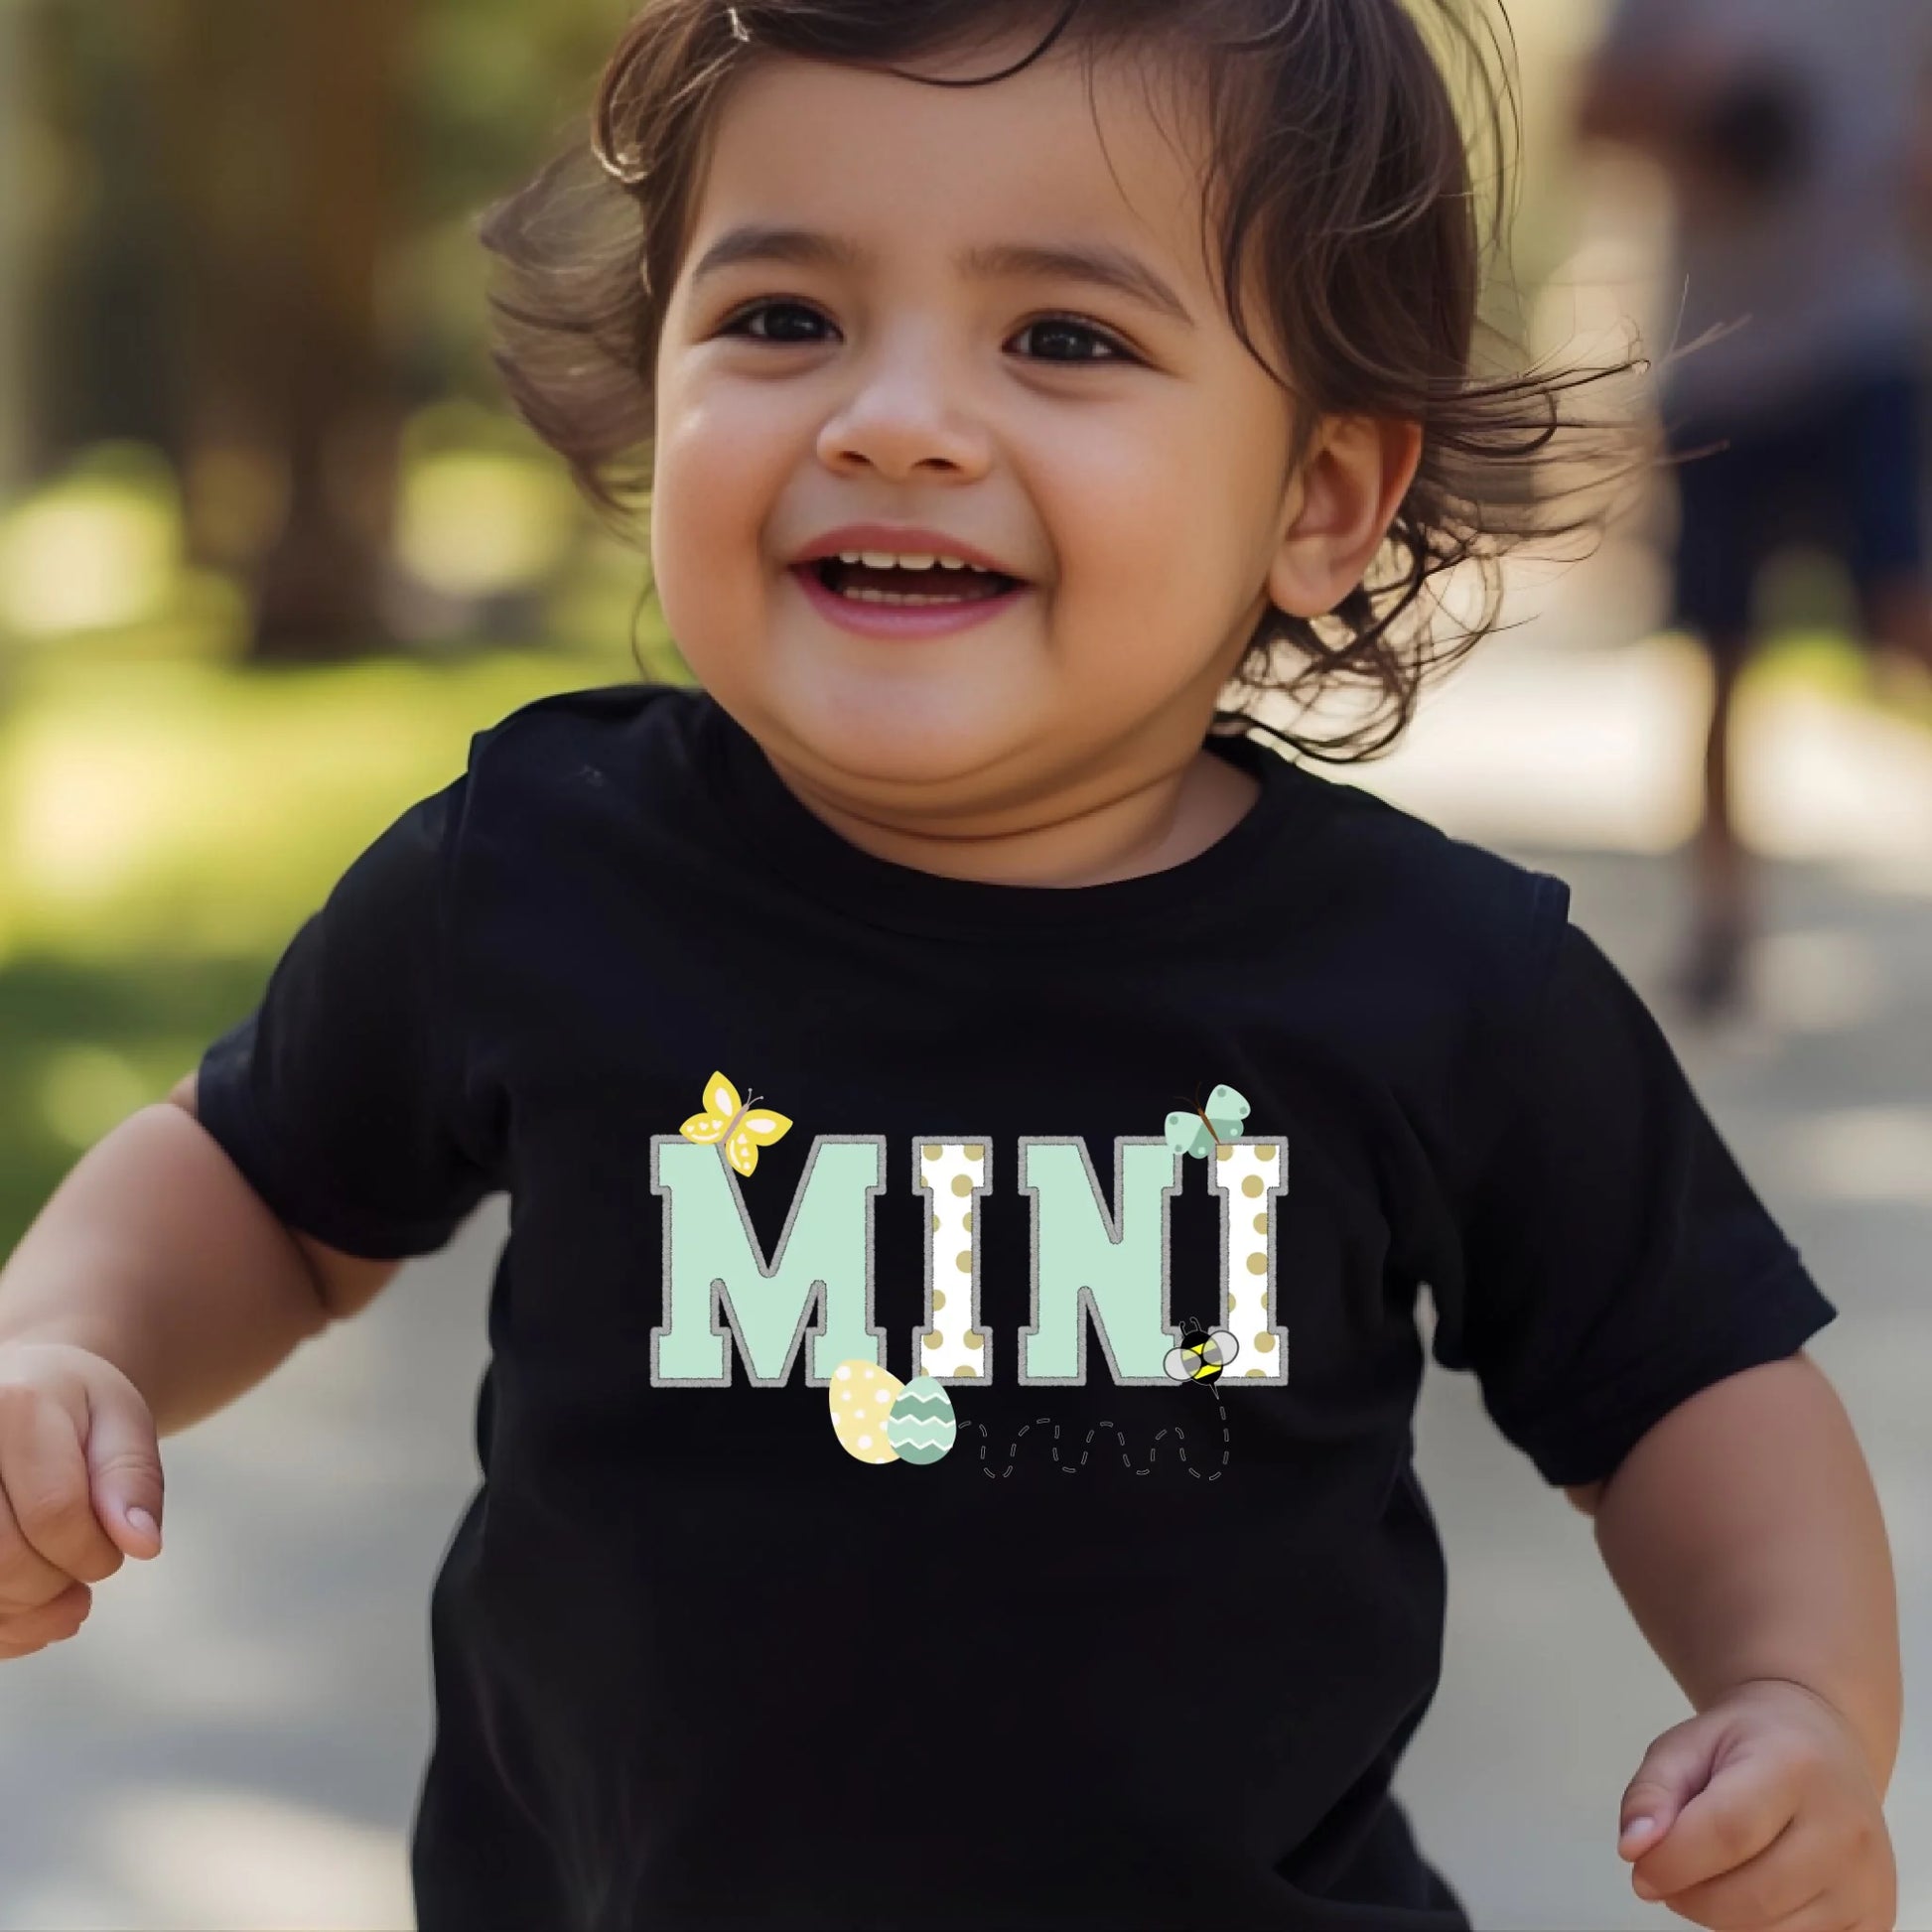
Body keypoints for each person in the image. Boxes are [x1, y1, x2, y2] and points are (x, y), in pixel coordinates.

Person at [0, 3, 1902, 1928]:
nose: (888, 417)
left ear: (1317, 497)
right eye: (782, 319)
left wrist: (1794, 1695)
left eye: (1061, 338)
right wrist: (70, 1345)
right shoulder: (534, 874)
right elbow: (260, 1178)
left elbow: (1688, 1381)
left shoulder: (1435, 985)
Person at [1575, 0, 1932, 1018]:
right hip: (1719, 354)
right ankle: (1721, 915)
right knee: (1717, 645)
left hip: (1864, 333)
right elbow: (1586, 116)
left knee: (1902, 603)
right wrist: (1682, 95)